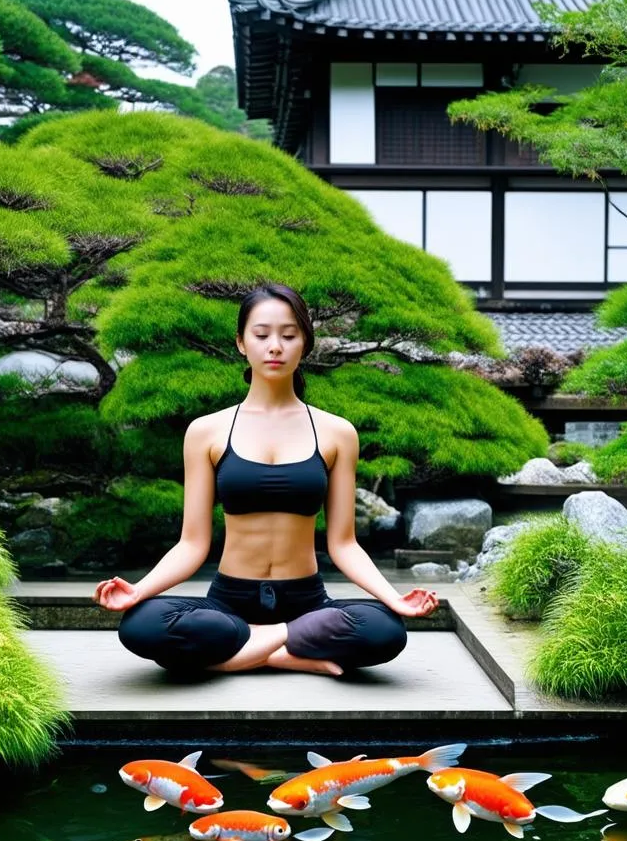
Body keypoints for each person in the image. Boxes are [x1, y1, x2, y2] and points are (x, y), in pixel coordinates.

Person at [92, 283, 438, 676]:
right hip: (228, 604)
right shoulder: (206, 431)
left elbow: (343, 545)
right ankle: (288, 653)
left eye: (289, 335)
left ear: (304, 343)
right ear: (241, 342)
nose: (275, 346)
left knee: (384, 631)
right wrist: (139, 590)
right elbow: (192, 544)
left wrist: (394, 600)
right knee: (141, 624)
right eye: (262, 335)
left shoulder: (337, 433)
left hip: (307, 603)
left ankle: (237, 655)